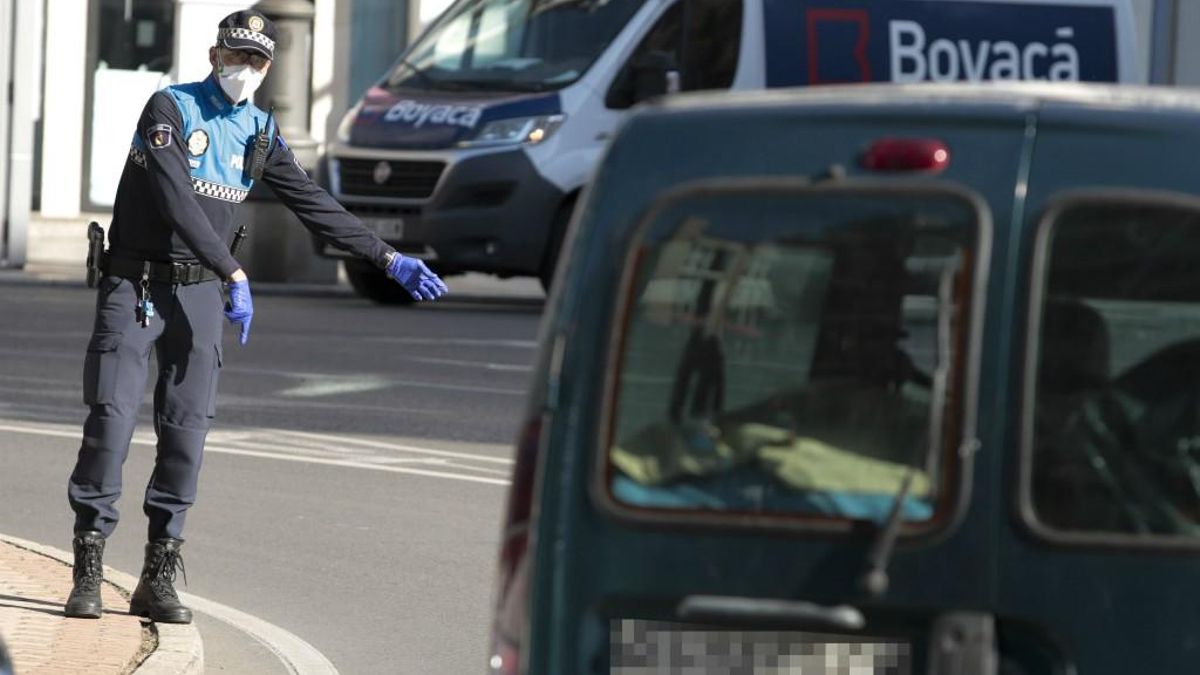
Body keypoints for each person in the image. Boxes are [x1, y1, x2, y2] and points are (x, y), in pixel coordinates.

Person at [63, 10, 448, 624]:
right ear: (215, 54)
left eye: (257, 61)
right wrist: (234, 272)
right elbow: (175, 202)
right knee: (110, 420)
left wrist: (387, 256)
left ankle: (157, 574)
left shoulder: (260, 132)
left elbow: (313, 202)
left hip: (198, 295)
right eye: (236, 56)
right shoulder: (169, 110)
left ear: (268, 68)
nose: (245, 69)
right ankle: (87, 566)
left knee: (186, 433)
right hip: (135, 285)